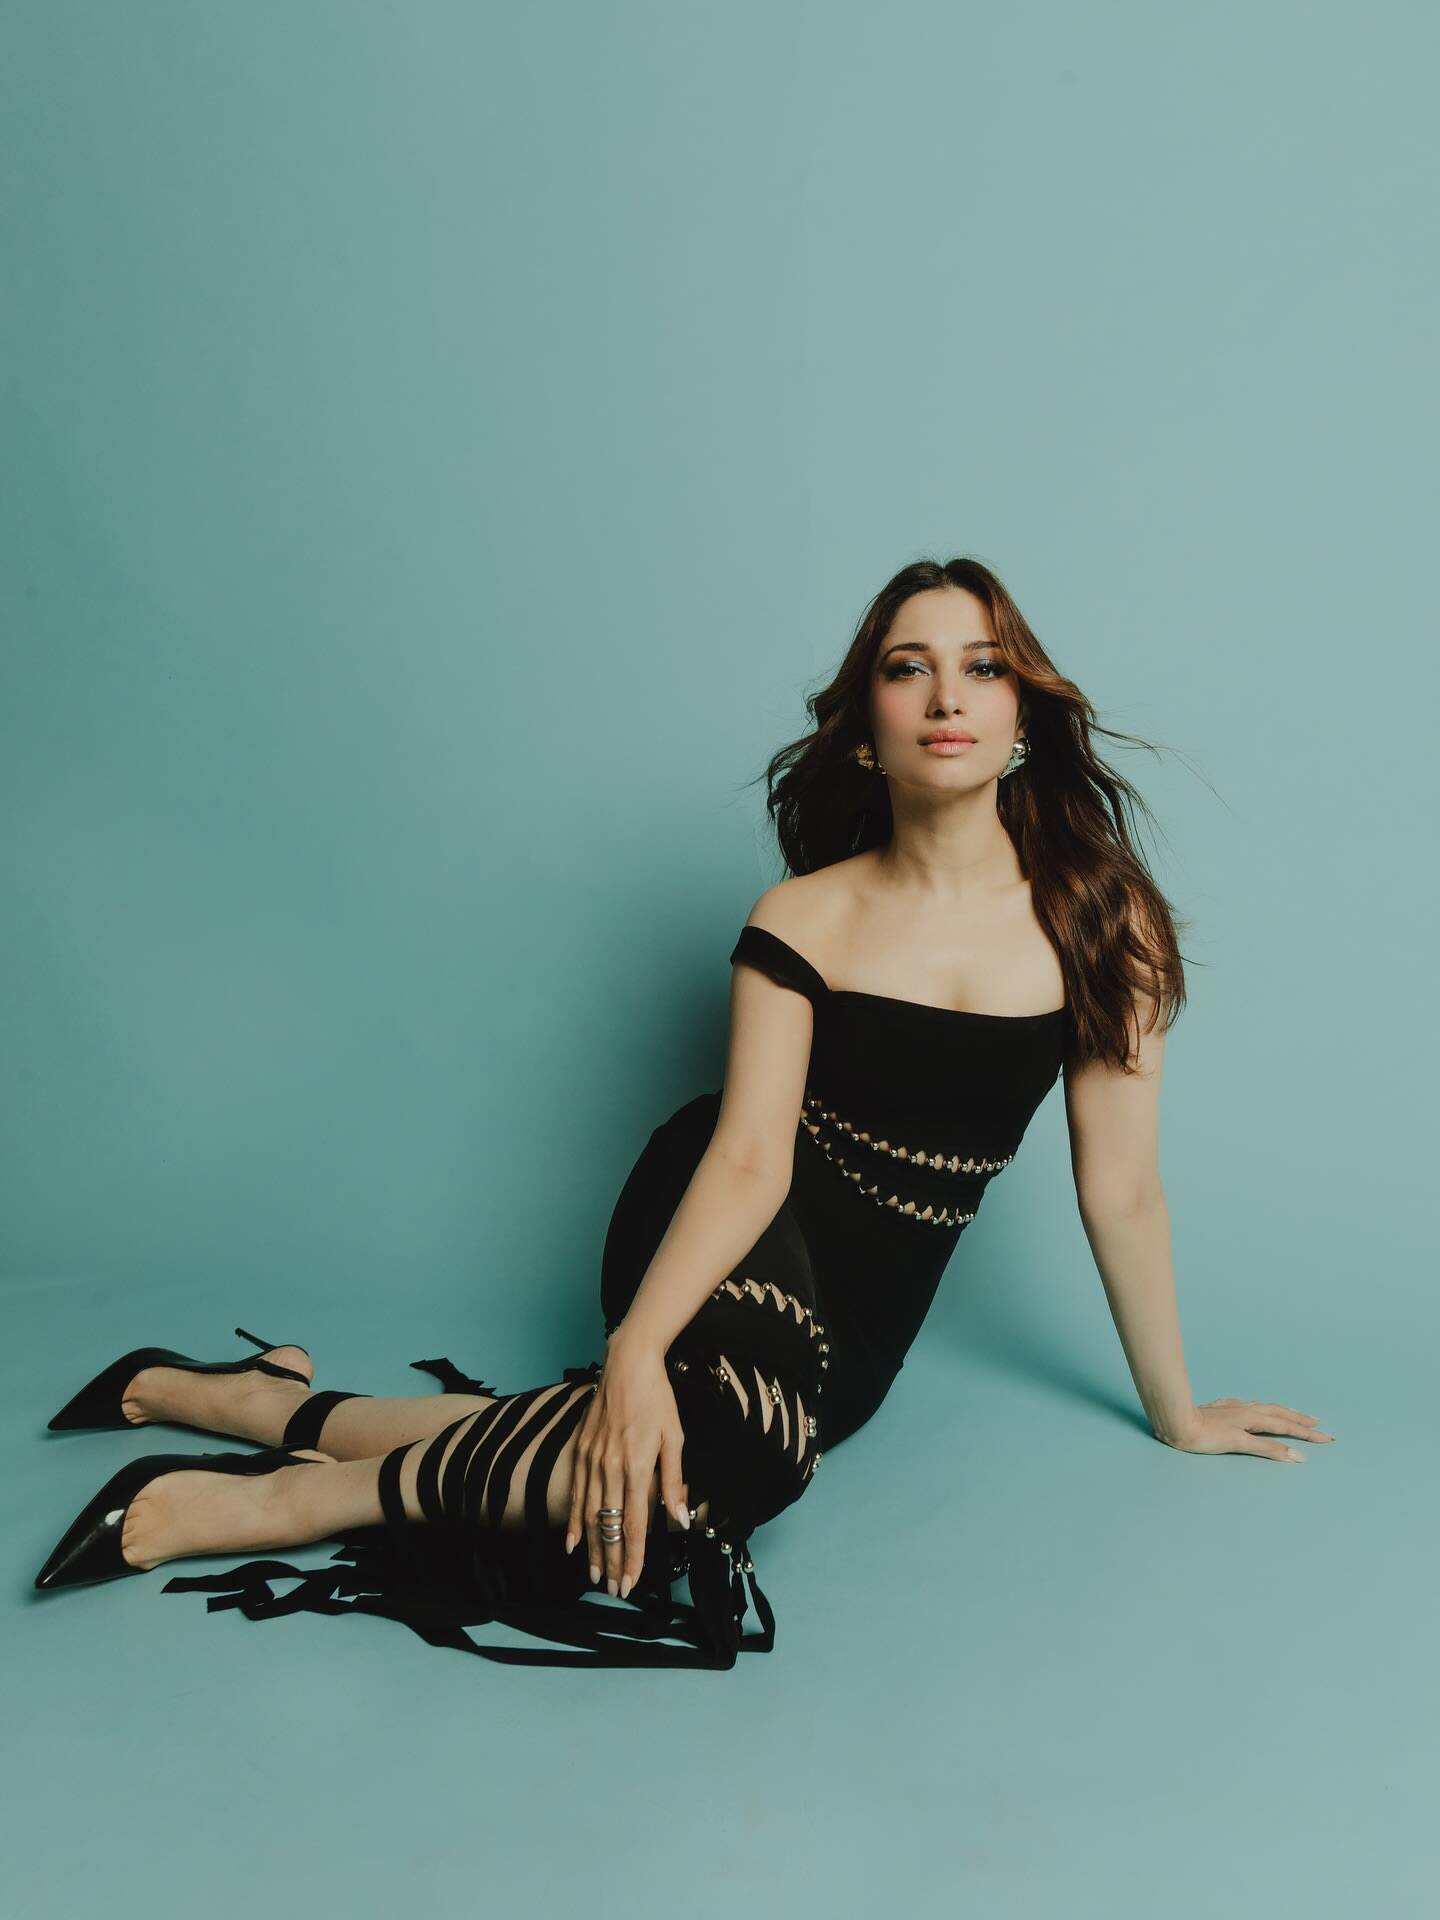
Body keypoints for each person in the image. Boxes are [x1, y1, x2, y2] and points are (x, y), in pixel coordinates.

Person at [33, 555, 1334, 1670]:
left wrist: (1177, 1409)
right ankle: (280, 1508)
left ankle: (268, 1411)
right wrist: (639, 1349)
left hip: (857, 1328)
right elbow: (751, 1155)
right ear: (867, 725)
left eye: (982, 667)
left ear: (1022, 714)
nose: (948, 696)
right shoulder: (801, 918)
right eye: (909, 667)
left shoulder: (1106, 924)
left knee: (673, 1466)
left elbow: (1121, 1189)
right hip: (714, 1213)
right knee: (690, 1457)